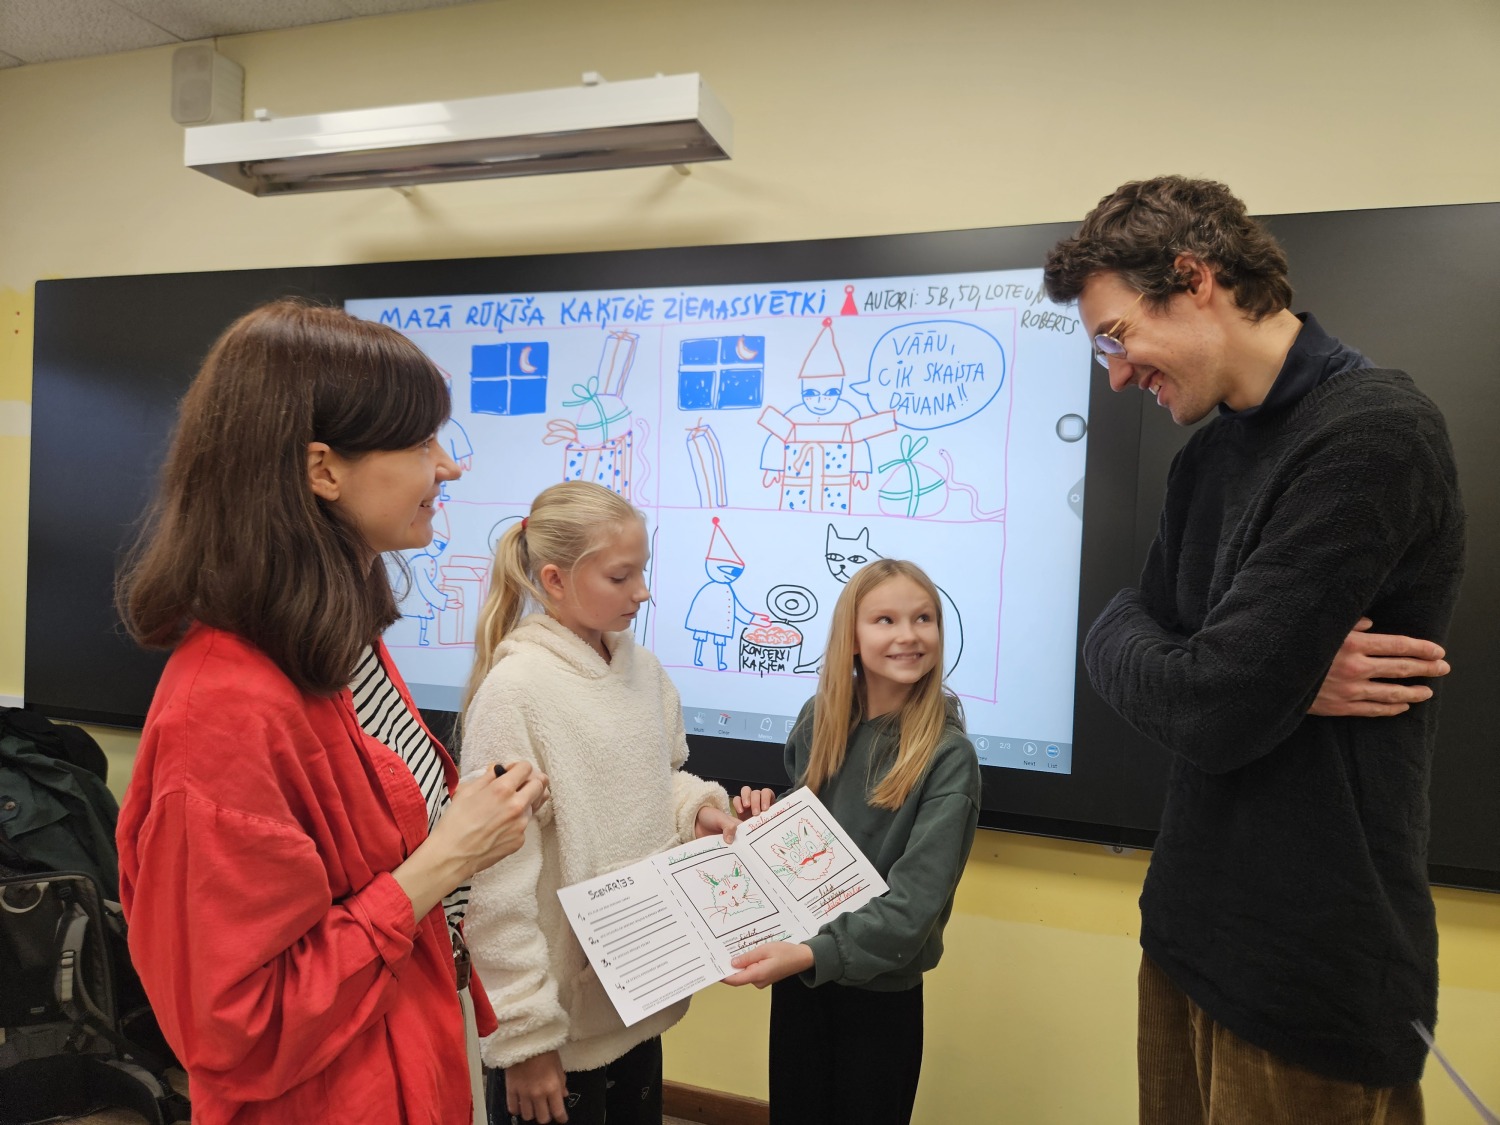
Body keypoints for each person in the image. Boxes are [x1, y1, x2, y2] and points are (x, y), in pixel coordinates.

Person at [1043, 176, 1465, 1124]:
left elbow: (1217, 707)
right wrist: (1257, 670)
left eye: (1116, 337)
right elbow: (1120, 627)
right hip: (1185, 931)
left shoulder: (1372, 434)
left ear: (1194, 279)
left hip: (1309, 967)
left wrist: (1239, 673)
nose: (1116, 376)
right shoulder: (1208, 453)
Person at [114, 299, 548, 1125]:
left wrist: (465, 826)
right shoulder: (224, 712)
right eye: (419, 444)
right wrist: (446, 857)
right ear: (323, 470)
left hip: (411, 1060)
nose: (447, 468)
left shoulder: (336, 644)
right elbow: (236, 1028)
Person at [462, 481, 759, 1125]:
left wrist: (695, 811)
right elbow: (494, 883)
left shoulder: (642, 669)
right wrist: (524, 1035)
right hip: (555, 1026)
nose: (642, 592)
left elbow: (659, 777)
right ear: (555, 580)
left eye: (642, 572)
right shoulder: (515, 692)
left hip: (636, 993)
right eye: (621, 576)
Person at [722, 558, 981, 1125]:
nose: (909, 635)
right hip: (801, 977)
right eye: (885, 620)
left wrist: (812, 954)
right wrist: (761, 823)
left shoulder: (948, 756)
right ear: (852, 637)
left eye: (924, 618)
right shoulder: (819, 718)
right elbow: (806, 840)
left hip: (877, 996)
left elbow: (911, 910)